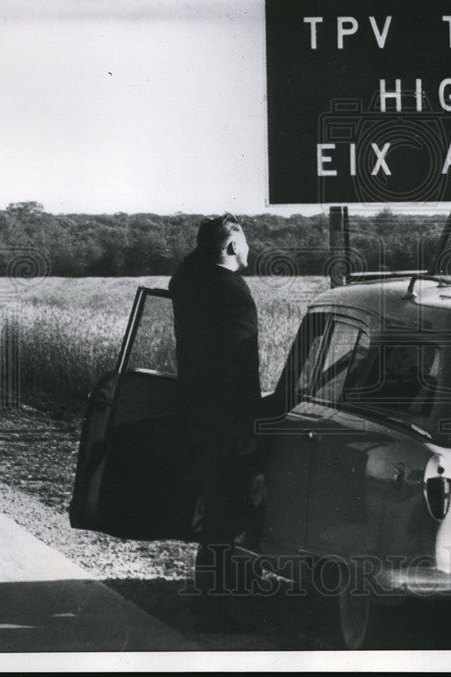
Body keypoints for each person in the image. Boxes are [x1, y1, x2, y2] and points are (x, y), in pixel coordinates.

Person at [169, 213, 262, 612]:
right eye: (244, 243)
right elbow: (241, 365)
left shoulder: (187, 282)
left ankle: (211, 590)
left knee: (214, 504)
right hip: (229, 415)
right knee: (231, 507)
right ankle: (225, 601)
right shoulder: (231, 290)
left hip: (196, 408)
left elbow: (188, 265)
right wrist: (250, 423)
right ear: (229, 248)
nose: (249, 250)